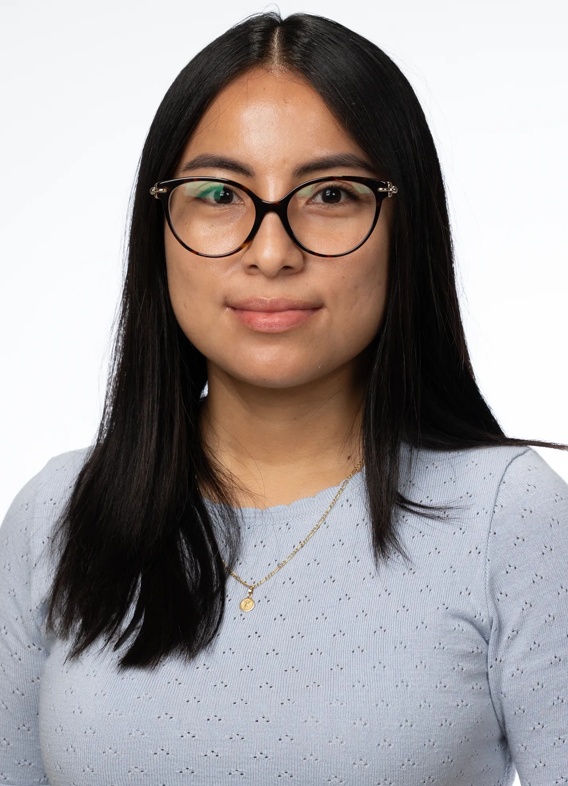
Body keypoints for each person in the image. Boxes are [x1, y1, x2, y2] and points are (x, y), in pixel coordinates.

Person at [0, 11, 566, 786]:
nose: (271, 253)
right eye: (219, 193)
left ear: (405, 227)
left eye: (330, 193)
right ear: (158, 227)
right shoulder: (58, 516)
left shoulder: (511, 519)